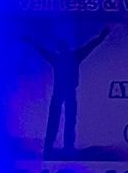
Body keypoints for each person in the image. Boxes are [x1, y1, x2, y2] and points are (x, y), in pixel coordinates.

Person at [29, 28, 109, 156]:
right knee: (61, 118)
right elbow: (42, 50)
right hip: (62, 91)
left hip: (66, 91)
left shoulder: (68, 57)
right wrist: (101, 37)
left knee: (66, 118)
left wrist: (101, 37)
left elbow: (90, 46)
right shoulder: (66, 57)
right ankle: (54, 146)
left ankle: (62, 147)